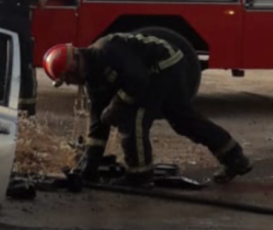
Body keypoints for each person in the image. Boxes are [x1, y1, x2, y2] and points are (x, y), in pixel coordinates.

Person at [42, 33, 253, 187]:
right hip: (154, 71)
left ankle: (139, 175)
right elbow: (98, 123)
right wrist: (89, 167)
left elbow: (138, 83)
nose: (70, 83)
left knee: (132, 117)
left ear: (73, 67)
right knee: (182, 120)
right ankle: (234, 158)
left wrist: (115, 106)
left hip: (164, 66)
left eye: (67, 79)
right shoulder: (92, 80)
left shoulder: (106, 51)